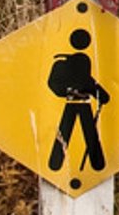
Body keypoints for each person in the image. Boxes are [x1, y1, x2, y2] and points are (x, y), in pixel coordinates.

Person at [47, 27, 109, 174]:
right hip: (75, 103)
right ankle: (56, 164)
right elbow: (88, 82)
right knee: (67, 132)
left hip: (82, 104)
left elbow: (88, 82)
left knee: (88, 133)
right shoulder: (69, 62)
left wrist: (101, 95)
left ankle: (96, 163)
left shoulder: (81, 61)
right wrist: (99, 94)